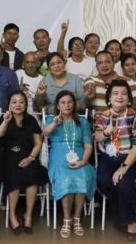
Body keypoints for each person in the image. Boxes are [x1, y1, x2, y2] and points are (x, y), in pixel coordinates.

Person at [94, 80, 136, 238]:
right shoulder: (102, 116)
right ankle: (124, 213)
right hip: (108, 157)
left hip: (130, 158)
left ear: (129, 98)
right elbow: (97, 137)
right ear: (109, 98)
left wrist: (123, 167)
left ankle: (130, 222)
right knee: (103, 181)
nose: (119, 96)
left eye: (124, 93)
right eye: (115, 93)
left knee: (123, 182)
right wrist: (105, 133)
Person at [42, 91, 95, 238]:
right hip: (59, 158)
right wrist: (55, 123)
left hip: (80, 156)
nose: (66, 105)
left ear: (74, 104)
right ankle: (66, 218)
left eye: (69, 102)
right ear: (58, 105)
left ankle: (76, 218)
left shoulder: (82, 122)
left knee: (83, 174)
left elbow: (88, 146)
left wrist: (83, 161)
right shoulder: (51, 119)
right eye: (63, 102)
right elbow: (45, 133)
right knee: (65, 175)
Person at [0, 91, 48, 235]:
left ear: (26, 105)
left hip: (29, 157)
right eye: (14, 102)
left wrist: (31, 158)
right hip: (9, 159)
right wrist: (6, 121)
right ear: (9, 105)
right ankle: (12, 215)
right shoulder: (4, 118)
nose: (17, 105)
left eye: (21, 102)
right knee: (14, 175)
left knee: (33, 175)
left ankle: (28, 215)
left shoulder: (31, 120)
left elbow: (38, 143)